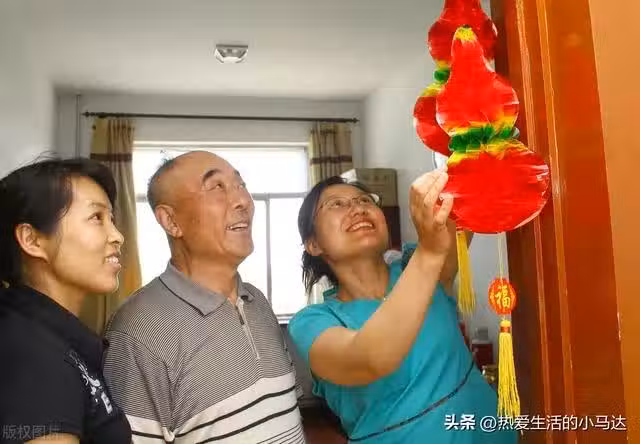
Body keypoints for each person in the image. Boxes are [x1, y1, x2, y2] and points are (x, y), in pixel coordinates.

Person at [288, 172, 517, 443]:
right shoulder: (313, 321)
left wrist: (464, 155)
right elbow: (368, 359)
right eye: (336, 204)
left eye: (365, 200)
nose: (358, 208)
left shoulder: (414, 265)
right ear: (313, 244)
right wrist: (429, 252)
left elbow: (468, 197)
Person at [103, 151, 305, 444]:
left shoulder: (257, 301)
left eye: (241, 185)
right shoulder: (137, 330)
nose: (243, 200)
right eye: (217, 187)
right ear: (171, 221)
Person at [0, 158, 132, 444]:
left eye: (111, 219)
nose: (118, 236)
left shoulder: (53, 336)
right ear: (32, 240)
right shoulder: (32, 355)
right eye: (96, 217)